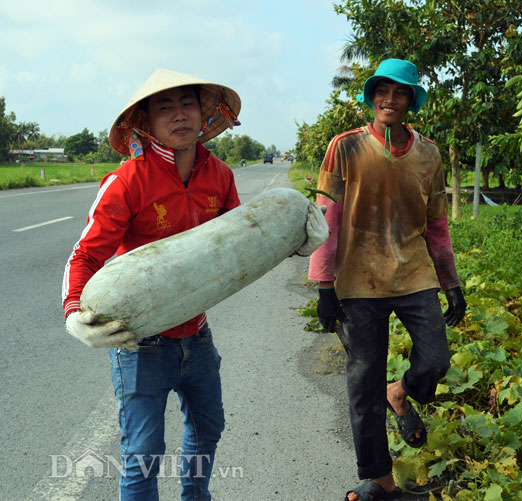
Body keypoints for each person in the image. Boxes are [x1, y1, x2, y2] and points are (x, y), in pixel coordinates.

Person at [62, 68, 327, 500]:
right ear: (145, 122)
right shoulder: (127, 181)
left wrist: (298, 241)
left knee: (209, 427)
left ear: (204, 114)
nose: (179, 115)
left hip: (196, 337)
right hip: (141, 344)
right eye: (164, 107)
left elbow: (248, 244)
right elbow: (86, 255)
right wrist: (74, 312)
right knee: (143, 454)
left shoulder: (219, 175)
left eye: (187, 104)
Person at [308, 58, 467, 501]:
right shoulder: (345, 147)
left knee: (436, 358)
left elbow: (437, 224)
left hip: (414, 272)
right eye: (382, 91)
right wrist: (324, 286)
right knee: (363, 384)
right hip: (358, 280)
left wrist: (450, 281)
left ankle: (403, 391)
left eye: (400, 92)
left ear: (412, 100)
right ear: (370, 96)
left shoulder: (429, 154)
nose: (389, 99)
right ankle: (379, 479)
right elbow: (327, 219)